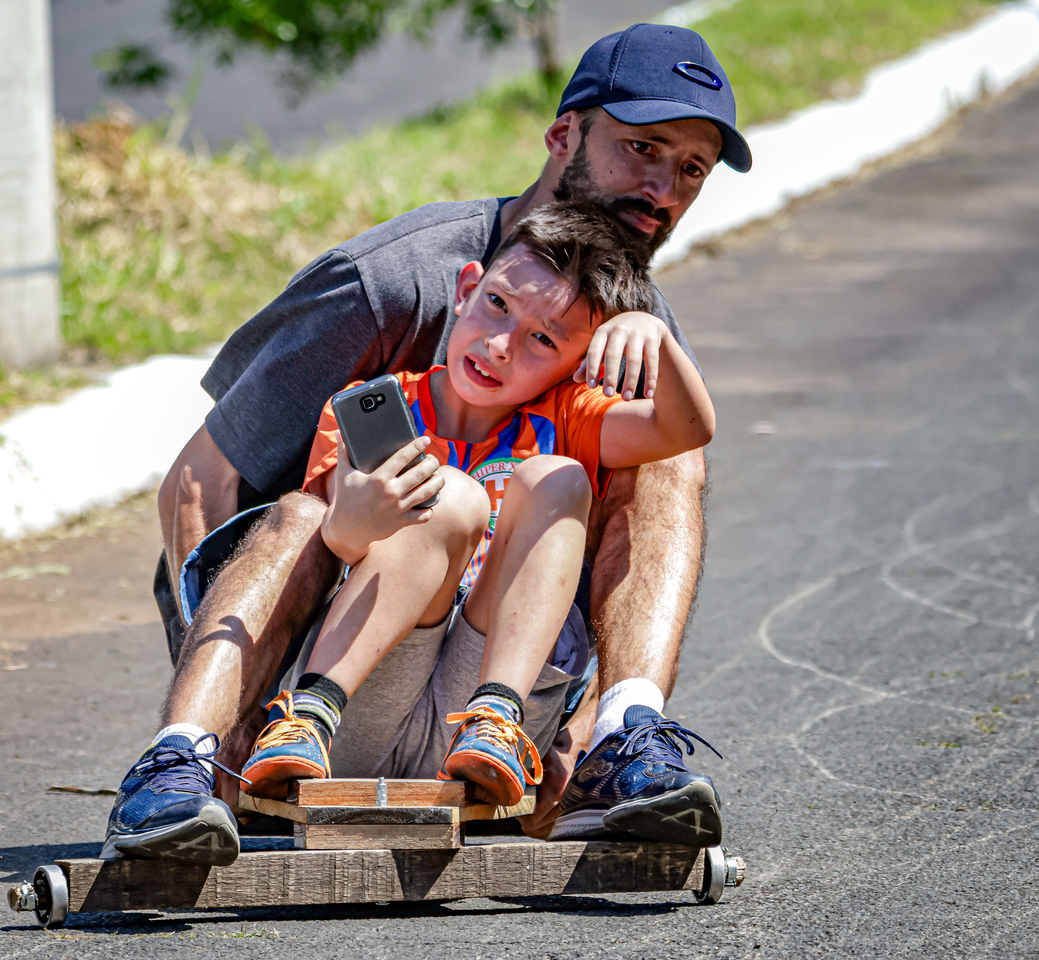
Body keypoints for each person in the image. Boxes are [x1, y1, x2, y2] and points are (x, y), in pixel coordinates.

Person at [102, 22, 753, 866]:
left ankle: (620, 743)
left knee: (663, 461)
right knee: (305, 511)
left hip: (492, 668)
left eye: (692, 169)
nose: (662, 188)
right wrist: (230, 715)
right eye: (642, 148)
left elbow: (676, 443)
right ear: (564, 135)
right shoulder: (392, 281)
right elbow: (198, 483)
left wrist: (583, 720)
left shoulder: (635, 326)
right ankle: (183, 761)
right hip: (327, 635)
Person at [238, 201, 717, 812]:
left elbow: (687, 429)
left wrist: (657, 336)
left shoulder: (567, 417)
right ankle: (307, 714)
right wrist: (350, 527)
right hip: (355, 706)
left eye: (543, 339)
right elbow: (332, 557)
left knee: (559, 477)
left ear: (580, 363)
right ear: (467, 288)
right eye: (497, 304)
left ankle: (497, 716)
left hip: (490, 725)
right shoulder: (372, 409)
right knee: (451, 498)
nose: (500, 345)